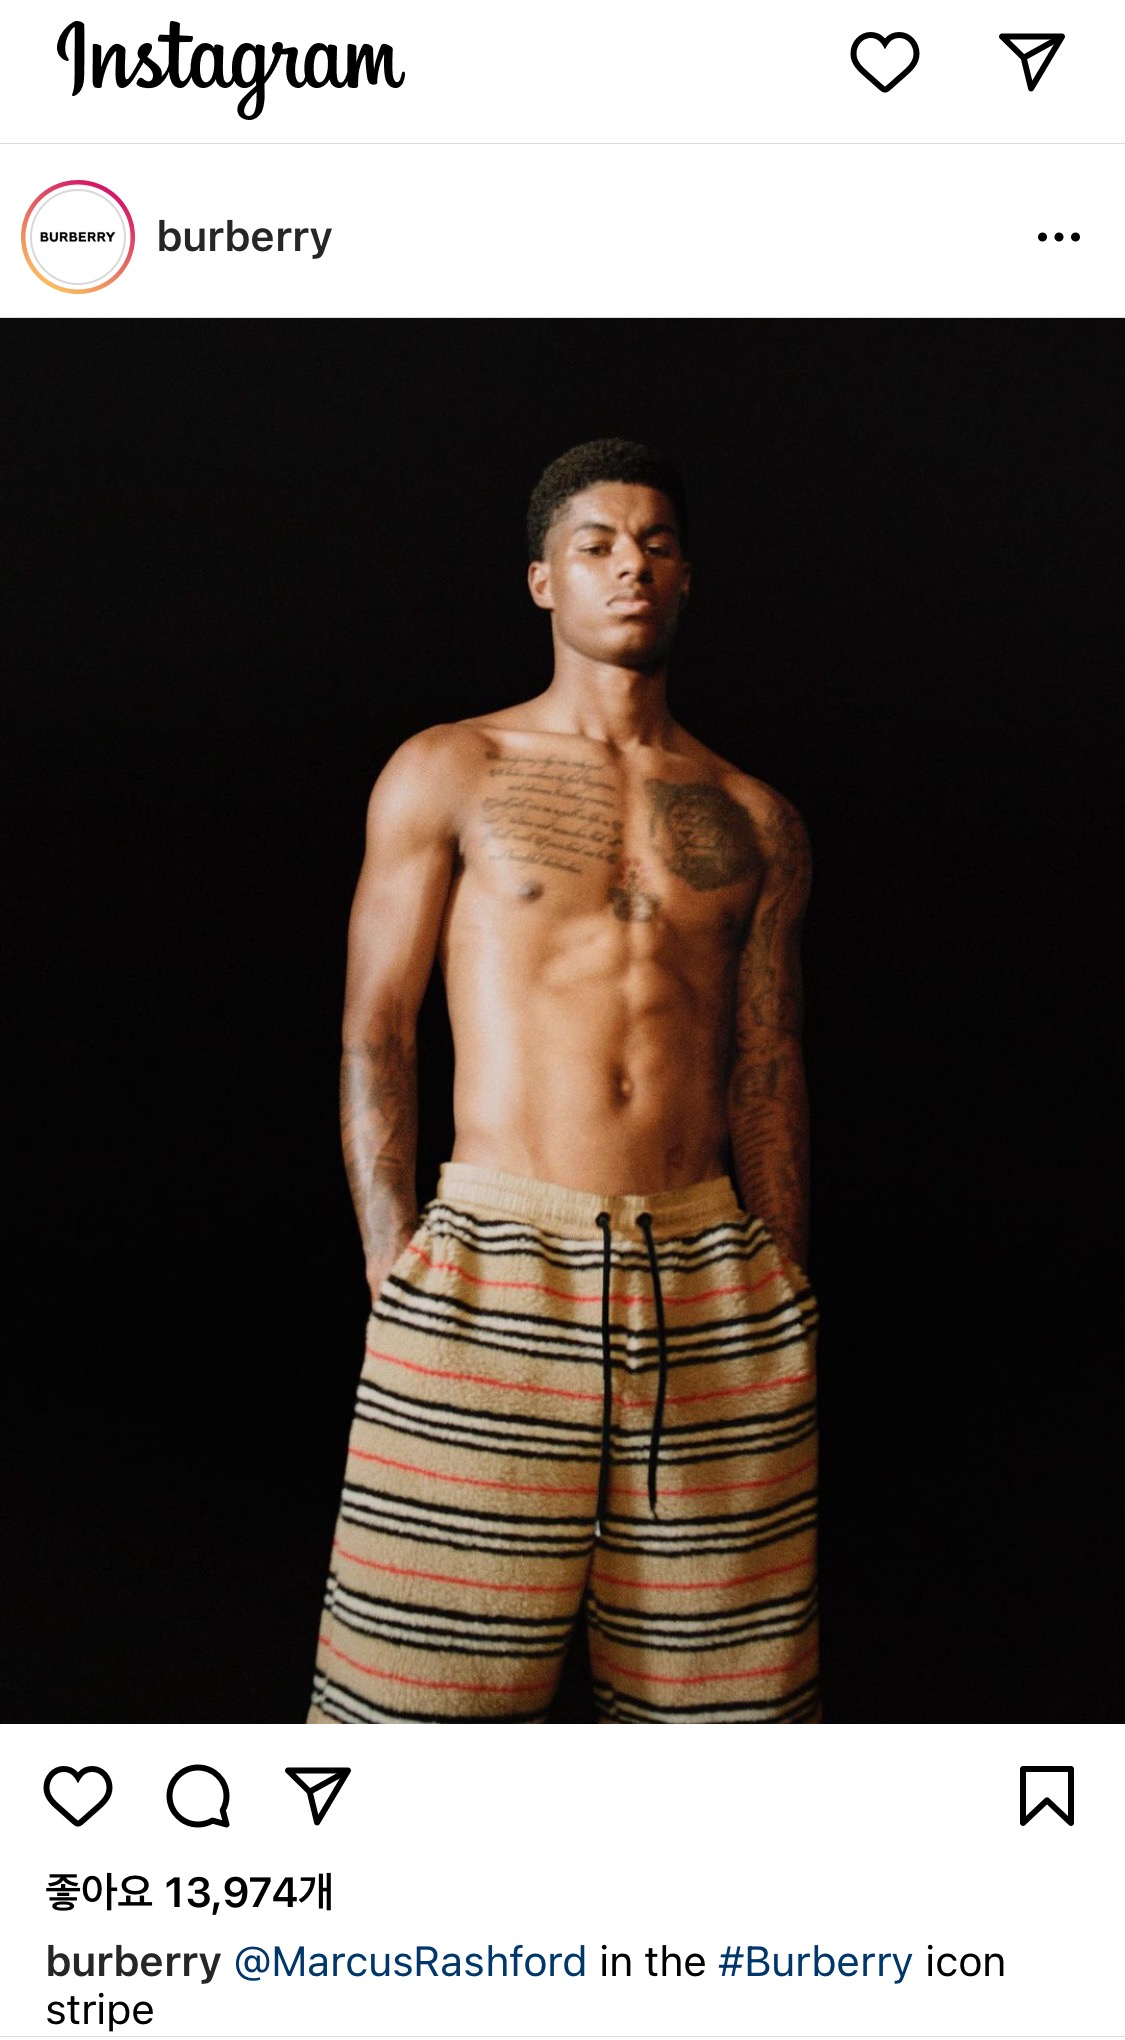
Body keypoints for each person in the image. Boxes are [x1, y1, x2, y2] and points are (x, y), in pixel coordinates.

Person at [308, 438, 819, 1724]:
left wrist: (782, 1279)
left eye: (655, 544)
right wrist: (392, 1259)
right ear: (544, 579)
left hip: (707, 1272)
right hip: (494, 1260)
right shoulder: (452, 766)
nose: (628, 566)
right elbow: (376, 1026)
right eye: (596, 545)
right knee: (418, 1711)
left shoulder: (755, 815)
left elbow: (766, 1058)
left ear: (687, 576)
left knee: (730, 1724)